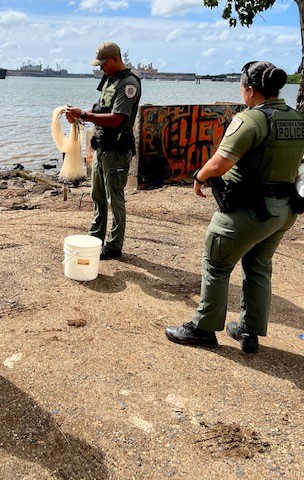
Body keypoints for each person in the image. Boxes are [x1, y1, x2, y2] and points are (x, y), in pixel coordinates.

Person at [165, 61, 304, 353]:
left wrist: (199, 176)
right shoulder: (296, 117)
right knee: (259, 267)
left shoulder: (252, 119)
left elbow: (221, 162)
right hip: (284, 210)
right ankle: (248, 332)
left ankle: (203, 329)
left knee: (216, 263)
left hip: (249, 211)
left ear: (250, 90)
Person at [66, 42, 141, 259]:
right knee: (97, 195)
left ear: (116, 59)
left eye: (104, 64)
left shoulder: (128, 84)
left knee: (114, 198)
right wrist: (79, 113)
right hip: (102, 148)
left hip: (117, 150)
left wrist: (84, 116)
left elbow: (117, 119)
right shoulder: (110, 80)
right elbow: (101, 110)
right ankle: (95, 238)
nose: (101, 69)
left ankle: (114, 246)